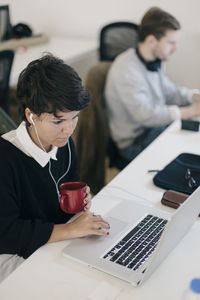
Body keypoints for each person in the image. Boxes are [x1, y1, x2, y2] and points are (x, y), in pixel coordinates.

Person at [0, 54, 110, 282]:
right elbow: (6, 234)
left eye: (75, 118)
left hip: (50, 239)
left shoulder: (64, 143)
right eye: (58, 121)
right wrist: (70, 230)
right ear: (31, 115)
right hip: (12, 253)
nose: (69, 130)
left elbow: (60, 199)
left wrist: (81, 203)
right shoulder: (6, 157)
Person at [105, 7, 200, 166]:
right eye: (171, 43)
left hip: (154, 128)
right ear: (151, 40)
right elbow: (145, 115)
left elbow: (168, 91)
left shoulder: (154, 60)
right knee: (189, 152)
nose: (175, 48)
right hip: (135, 141)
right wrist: (191, 111)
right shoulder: (127, 70)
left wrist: (193, 96)